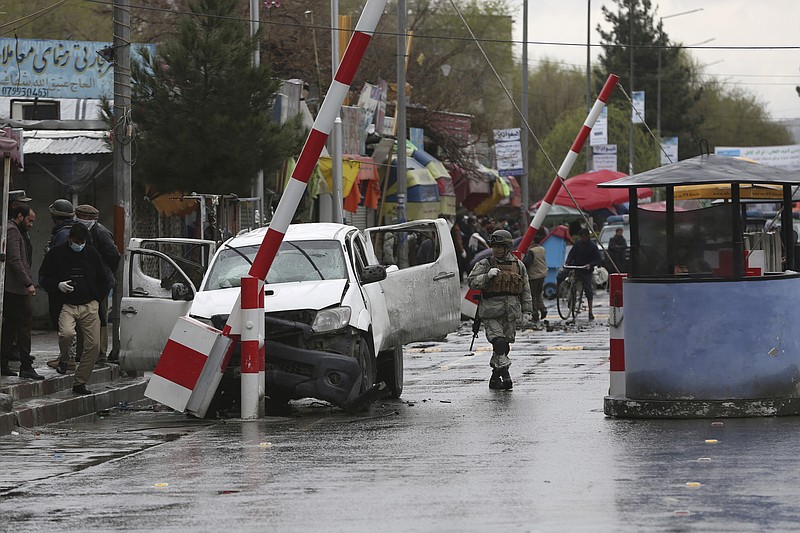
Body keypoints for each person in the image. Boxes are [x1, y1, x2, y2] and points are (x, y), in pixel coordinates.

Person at [39, 223, 110, 395]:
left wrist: (96, 299)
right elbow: (43, 277)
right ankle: (64, 359)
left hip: (89, 305)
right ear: (69, 238)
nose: (79, 244)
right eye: (76, 240)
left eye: (82, 241)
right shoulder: (56, 254)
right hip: (66, 305)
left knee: (93, 345)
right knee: (66, 334)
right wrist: (58, 285)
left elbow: (104, 279)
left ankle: (80, 382)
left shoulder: (92, 254)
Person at [468, 229, 533, 390]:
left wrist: (527, 311)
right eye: (494, 247)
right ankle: (506, 376)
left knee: (506, 345)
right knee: (498, 342)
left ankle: (495, 377)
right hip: (491, 311)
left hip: (510, 312)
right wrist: (486, 276)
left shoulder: (518, 265)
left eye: (499, 247)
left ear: (507, 248)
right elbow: (471, 282)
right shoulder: (486, 264)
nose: (496, 250)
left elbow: (525, 289)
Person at [1, 204, 44, 379]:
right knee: (24, 326)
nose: (31, 225)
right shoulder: (12, 231)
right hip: (15, 289)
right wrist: (28, 283)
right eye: (30, 220)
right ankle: (26, 366)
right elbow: (14, 259)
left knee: (9, 327)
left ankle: (3, 363)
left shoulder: (15, 230)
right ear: (20, 216)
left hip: (13, 288)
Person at [75, 204, 121, 364]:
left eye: (88, 218)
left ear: (94, 219)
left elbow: (114, 255)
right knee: (81, 316)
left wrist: (104, 271)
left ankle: (100, 353)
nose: (85, 220)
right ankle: (82, 352)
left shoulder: (100, 232)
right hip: (83, 281)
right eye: (82, 217)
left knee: (100, 316)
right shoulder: (76, 230)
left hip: (99, 283)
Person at [561, 228, 602, 320]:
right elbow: (571, 254)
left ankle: (590, 311)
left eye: (584, 236)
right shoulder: (577, 244)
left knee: (588, 289)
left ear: (587, 236)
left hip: (586, 270)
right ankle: (570, 297)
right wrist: (567, 262)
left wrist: (590, 265)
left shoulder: (592, 246)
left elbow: (598, 259)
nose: (582, 238)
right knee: (565, 277)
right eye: (581, 237)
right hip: (576, 267)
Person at [523, 230, 548, 323]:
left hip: (533, 276)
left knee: (532, 296)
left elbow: (526, 262)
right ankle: (543, 308)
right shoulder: (542, 249)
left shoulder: (531, 251)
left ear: (533, 241)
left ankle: (535, 315)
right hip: (542, 274)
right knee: (539, 293)